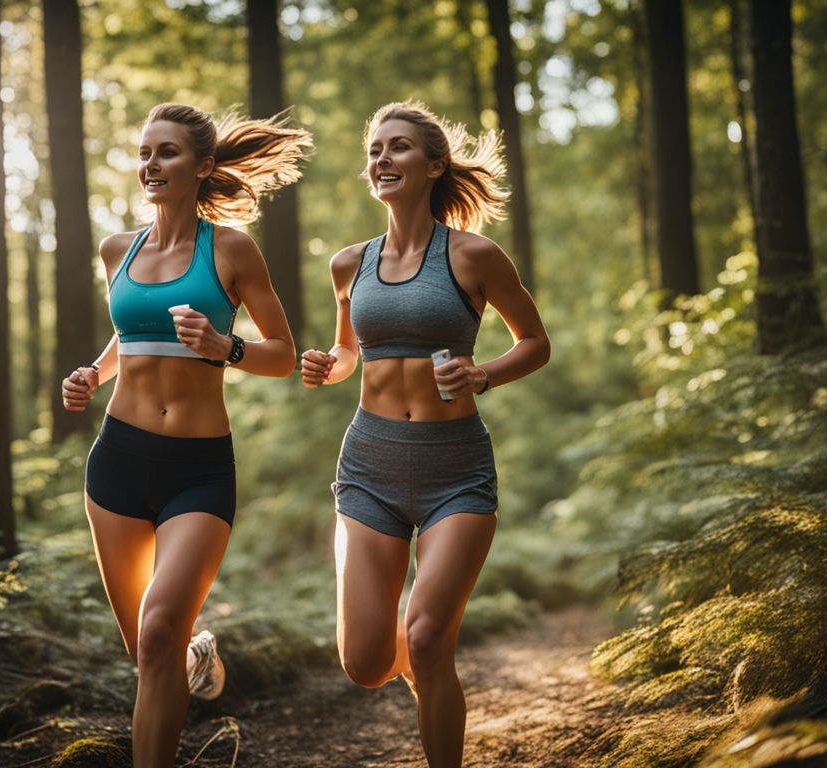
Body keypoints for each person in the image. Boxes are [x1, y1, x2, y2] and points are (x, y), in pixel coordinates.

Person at [300, 101, 549, 767]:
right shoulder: (349, 264)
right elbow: (351, 352)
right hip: (369, 467)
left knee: (432, 636)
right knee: (364, 663)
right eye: (375, 148)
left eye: (400, 147)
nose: (382, 159)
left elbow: (534, 342)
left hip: (455, 471)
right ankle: (413, 659)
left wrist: (486, 375)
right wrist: (330, 365)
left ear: (435, 165)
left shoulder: (474, 255)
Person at [60, 102, 309, 768]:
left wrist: (226, 348)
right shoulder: (120, 248)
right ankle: (198, 652)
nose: (150, 164)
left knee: (159, 628)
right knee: (148, 650)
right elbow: (127, 334)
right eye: (145, 153)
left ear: (201, 168)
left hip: (197, 471)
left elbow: (283, 353)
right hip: (117, 465)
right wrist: (93, 371)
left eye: (166, 152)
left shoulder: (229, 248)